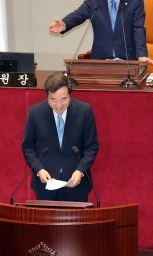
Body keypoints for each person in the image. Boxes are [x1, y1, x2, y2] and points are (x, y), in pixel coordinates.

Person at [48, 0, 153, 68]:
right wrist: (64, 24)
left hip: (128, 62)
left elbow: (138, 29)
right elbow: (78, 15)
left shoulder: (135, 0)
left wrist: (142, 55)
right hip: (100, 62)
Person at [21, 73, 99, 202]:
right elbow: (28, 147)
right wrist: (39, 170)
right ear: (46, 96)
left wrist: (80, 170)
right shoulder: (35, 113)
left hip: (76, 183)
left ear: (70, 95)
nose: (58, 105)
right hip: (46, 183)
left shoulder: (85, 111)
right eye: (53, 100)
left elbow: (91, 147)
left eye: (64, 99)